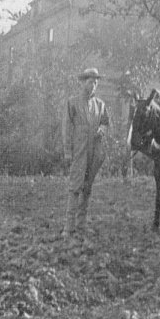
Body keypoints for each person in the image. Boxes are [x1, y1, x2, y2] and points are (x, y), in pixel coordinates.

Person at [62, 67, 110, 243]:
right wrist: (68, 152)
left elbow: (105, 122)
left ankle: (81, 225)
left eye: (96, 82)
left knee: (87, 189)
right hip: (79, 152)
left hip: (93, 153)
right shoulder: (72, 103)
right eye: (90, 81)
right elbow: (67, 129)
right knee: (75, 188)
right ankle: (69, 227)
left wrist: (102, 130)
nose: (94, 85)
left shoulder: (100, 105)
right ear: (83, 82)